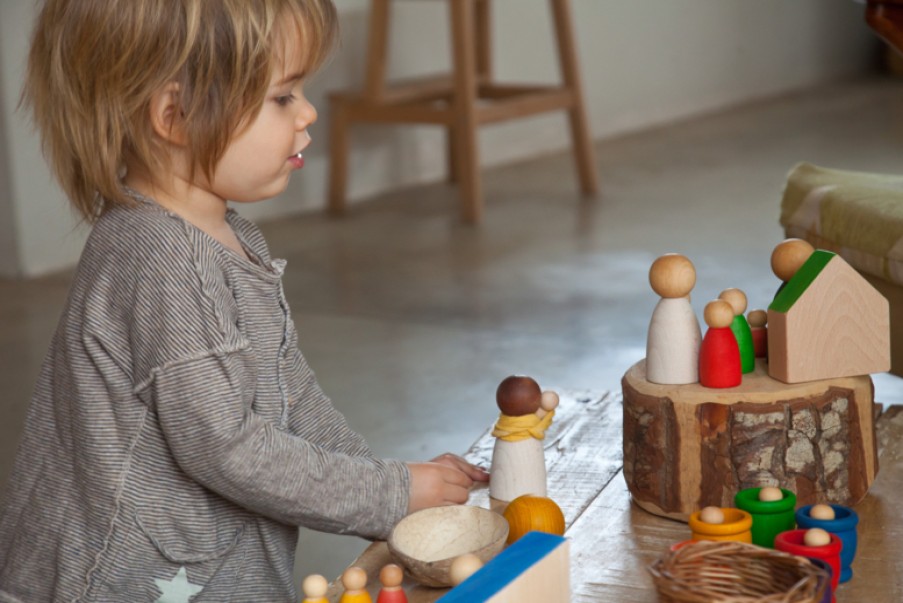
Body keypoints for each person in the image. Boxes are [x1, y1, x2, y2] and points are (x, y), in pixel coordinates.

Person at [0, 1, 488, 601]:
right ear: (174, 116)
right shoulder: (166, 262)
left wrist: (390, 492)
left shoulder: (219, 234)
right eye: (282, 97)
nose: (308, 112)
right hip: (128, 583)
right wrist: (387, 493)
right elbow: (228, 448)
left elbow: (288, 392)